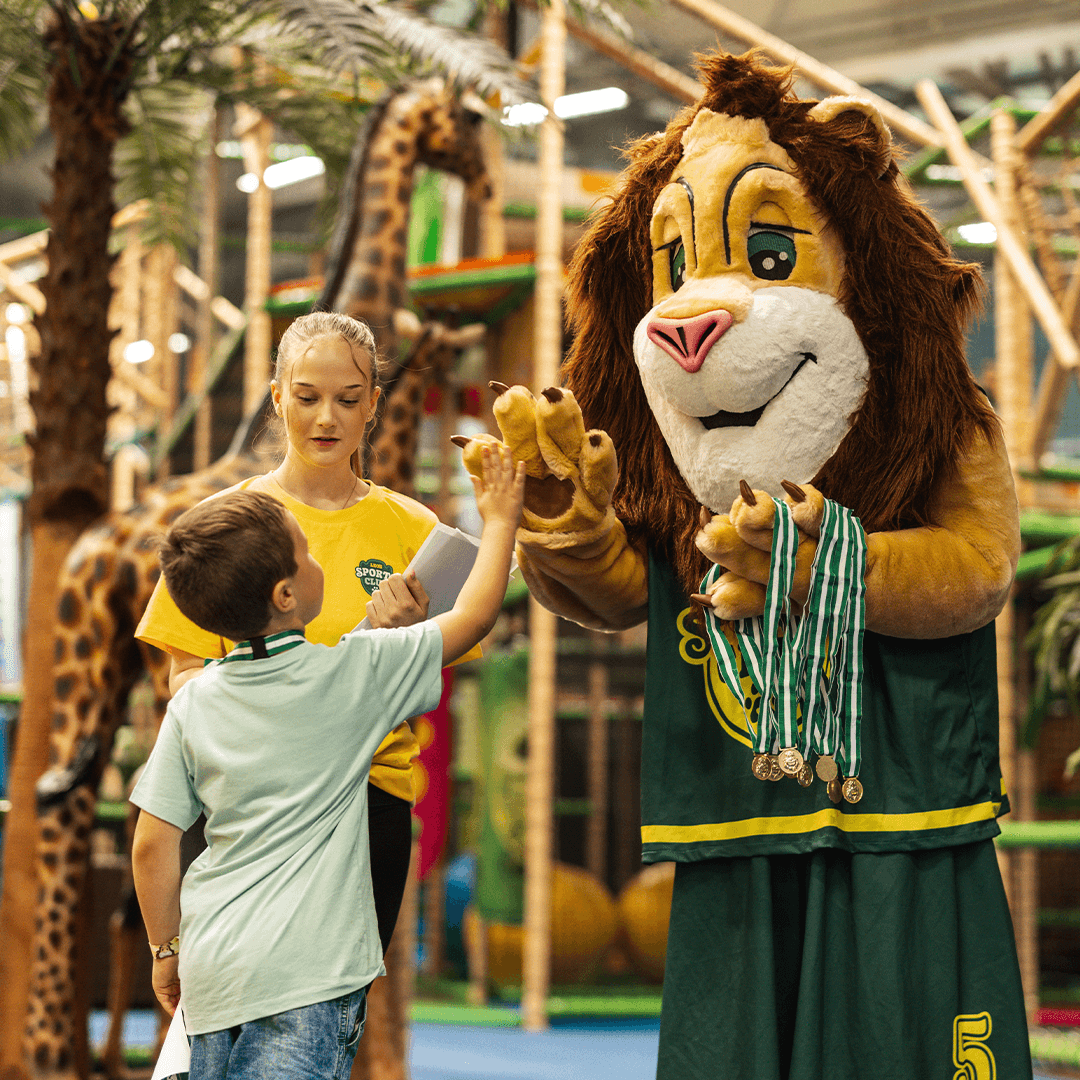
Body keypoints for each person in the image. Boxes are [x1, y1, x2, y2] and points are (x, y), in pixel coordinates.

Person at [130, 447, 524, 1080]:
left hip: (213, 969)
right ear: (287, 594)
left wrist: (164, 949)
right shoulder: (354, 674)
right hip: (311, 979)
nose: (320, 563)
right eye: (308, 554)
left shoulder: (192, 702)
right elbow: (473, 617)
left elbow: (152, 844)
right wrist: (500, 518)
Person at [135, 311, 465, 954]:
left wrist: (400, 641)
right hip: (253, 803)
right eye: (307, 397)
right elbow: (184, 678)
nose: (326, 419)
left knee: (343, 1000)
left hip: (371, 801)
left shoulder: (417, 530)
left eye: (348, 399)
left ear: (373, 404)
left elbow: (435, 667)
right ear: (277, 395)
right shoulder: (223, 522)